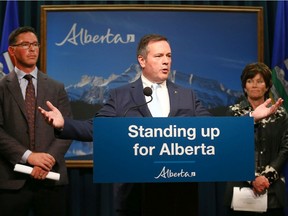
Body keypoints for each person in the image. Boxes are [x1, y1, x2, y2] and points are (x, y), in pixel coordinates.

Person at [38, 35, 284, 216]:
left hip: (180, 196)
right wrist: (64, 124)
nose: (166, 61)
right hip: (136, 196)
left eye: (169, 56)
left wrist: (250, 118)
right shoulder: (121, 95)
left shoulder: (186, 95)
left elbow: (214, 130)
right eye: (159, 56)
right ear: (142, 60)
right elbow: (97, 128)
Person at [0, 26, 72, 216]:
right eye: (25, 44)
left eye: (35, 44)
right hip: (11, 181)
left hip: (51, 178)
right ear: (12, 51)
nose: (32, 49)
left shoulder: (56, 87)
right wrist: (28, 157)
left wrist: (45, 161)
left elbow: (66, 130)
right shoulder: (1, 87)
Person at [224, 62, 288, 216]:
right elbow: (231, 149)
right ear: (244, 86)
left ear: (267, 86)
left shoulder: (280, 114)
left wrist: (266, 177)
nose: (254, 85)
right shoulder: (233, 113)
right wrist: (252, 178)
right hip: (240, 190)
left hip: (272, 192)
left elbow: (285, 148)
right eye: (250, 81)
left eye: (260, 81)